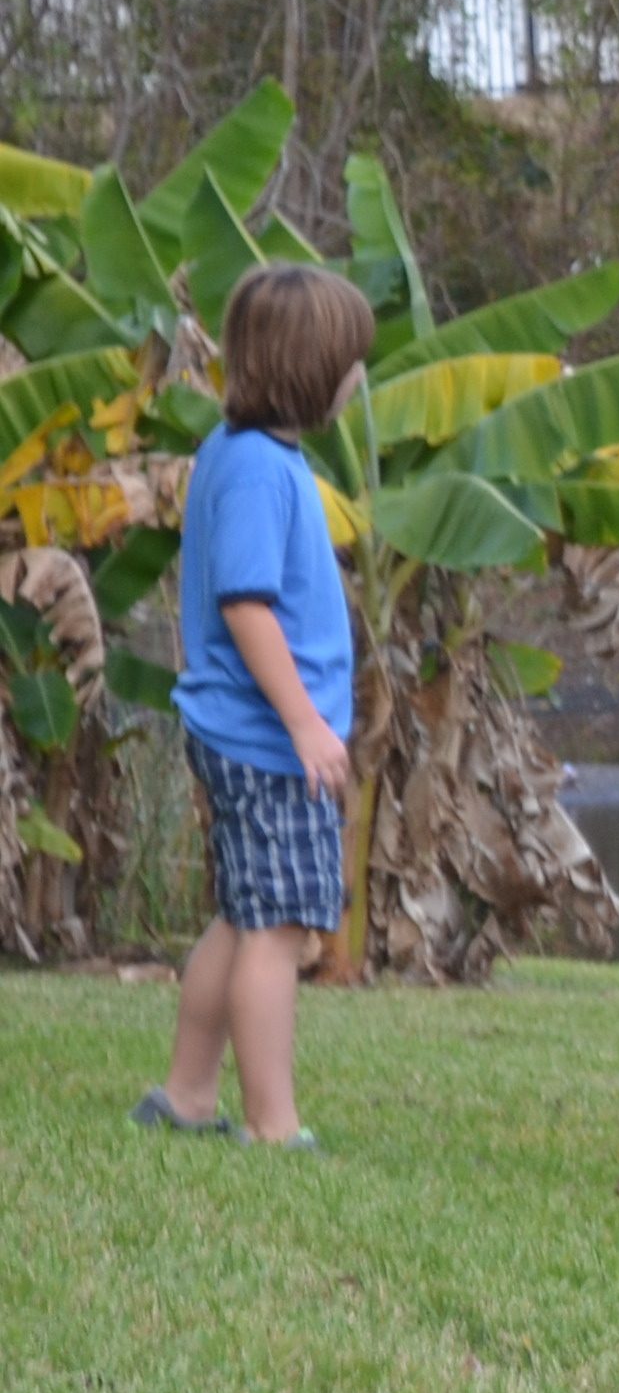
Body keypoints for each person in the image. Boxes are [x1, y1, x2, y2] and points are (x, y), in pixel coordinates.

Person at [138, 263, 371, 1152]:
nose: (358, 377)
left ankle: (187, 1096)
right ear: (312, 372)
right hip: (268, 743)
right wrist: (306, 724)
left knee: (243, 917)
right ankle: (274, 1126)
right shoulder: (258, 472)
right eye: (350, 361)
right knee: (277, 930)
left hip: (245, 734)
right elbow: (245, 605)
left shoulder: (243, 456)